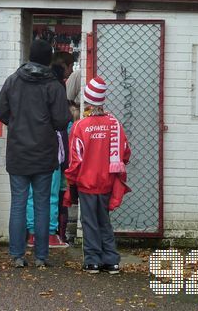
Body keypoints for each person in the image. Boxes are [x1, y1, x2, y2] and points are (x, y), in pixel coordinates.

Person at [0, 38, 72, 268]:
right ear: (48, 59)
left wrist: (16, 124)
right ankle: (41, 256)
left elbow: (0, 110)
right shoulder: (53, 86)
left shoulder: (13, 81)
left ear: (29, 56)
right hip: (44, 153)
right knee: (42, 203)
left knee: (18, 203)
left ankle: (17, 255)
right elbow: (61, 121)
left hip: (18, 152)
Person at [65, 76, 131, 274]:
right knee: (104, 220)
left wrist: (71, 180)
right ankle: (111, 260)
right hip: (107, 182)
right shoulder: (115, 125)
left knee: (89, 221)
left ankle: (92, 260)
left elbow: (75, 160)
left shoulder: (80, 127)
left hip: (86, 183)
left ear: (87, 100)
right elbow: (125, 152)